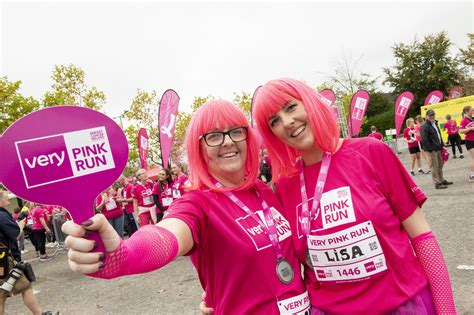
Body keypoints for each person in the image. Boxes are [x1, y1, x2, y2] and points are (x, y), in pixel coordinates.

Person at [62, 100, 310, 314]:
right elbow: (167, 234)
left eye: (236, 132)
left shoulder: (264, 191)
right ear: (199, 149)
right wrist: (124, 256)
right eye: (213, 136)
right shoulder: (198, 203)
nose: (227, 142)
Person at [251, 78, 456, 314]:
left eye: (290, 107)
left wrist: (447, 310)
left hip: (403, 305)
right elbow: (274, 256)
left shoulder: (371, 152)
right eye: (274, 121)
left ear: (309, 103)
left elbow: (422, 237)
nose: (287, 122)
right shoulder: (285, 186)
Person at [0, 191, 47, 315]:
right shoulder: (2, 216)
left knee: (2, 294)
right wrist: (20, 226)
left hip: (2, 259)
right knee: (25, 288)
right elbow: (15, 234)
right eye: (6, 199)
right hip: (5, 259)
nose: (8, 202)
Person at [420, 109, 453, 189]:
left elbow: (438, 135)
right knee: (434, 166)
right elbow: (424, 139)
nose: (432, 117)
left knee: (440, 164)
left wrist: (442, 145)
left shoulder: (435, 123)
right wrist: (430, 149)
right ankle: (437, 183)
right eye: (430, 115)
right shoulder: (425, 126)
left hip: (438, 148)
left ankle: (441, 179)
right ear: (426, 116)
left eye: (433, 115)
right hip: (432, 149)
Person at [459, 105, 474, 182]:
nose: (473, 111)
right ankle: (471, 176)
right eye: (471, 110)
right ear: (466, 112)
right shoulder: (464, 120)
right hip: (469, 141)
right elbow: (461, 131)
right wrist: (470, 128)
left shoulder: (472, 119)